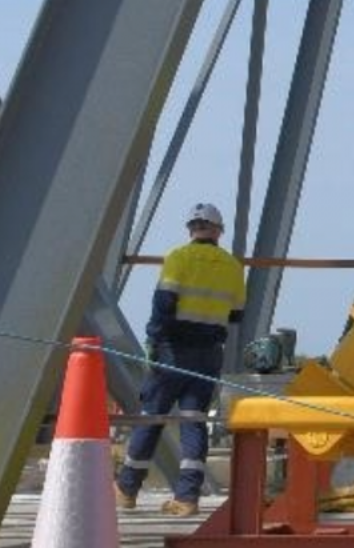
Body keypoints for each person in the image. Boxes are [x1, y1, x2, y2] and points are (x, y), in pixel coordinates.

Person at [116, 202, 246, 517]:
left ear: (191, 229)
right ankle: (187, 497)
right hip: (208, 353)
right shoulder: (232, 266)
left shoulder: (178, 257)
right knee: (193, 420)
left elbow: (164, 303)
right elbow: (237, 314)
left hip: (173, 350)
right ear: (218, 231)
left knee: (152, 415)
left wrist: (153, 340)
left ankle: (127, 489)